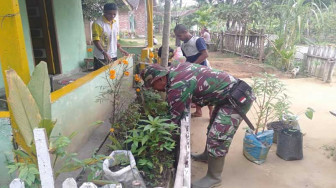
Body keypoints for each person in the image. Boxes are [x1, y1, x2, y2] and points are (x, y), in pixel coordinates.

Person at [141, 63, 255, 188]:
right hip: (227, 96)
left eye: (153, 85)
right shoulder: (174, 71)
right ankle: (207, 155)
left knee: (218, 136)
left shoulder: (178, 85)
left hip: (238, 99)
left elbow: (172, 120)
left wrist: (158, 143)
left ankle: (214, 177)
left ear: (161, 78)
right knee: (213, 127)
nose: (154, 90)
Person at [174, 24, 212, 118]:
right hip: (193, 72)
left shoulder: (198, 40)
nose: (179, 38)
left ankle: (211, 111)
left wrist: (193, 65)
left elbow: (205, 55)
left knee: (206, 92)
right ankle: (198, 111)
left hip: (203, 70)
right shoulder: (183, 46)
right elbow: (186, 59)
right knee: (195, 92)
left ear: (185, 32)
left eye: (180, 35)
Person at [92, 3, 129, 70]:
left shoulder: (115, 23)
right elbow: (96, 41)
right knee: (101, 76)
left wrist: (120, 49)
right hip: (101, 56)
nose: (112, 16)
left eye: (114, 14)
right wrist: (104, 53)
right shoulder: (98, 23)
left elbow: (115, 39)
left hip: (113, 55)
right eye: (110, 14)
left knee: (112, 75)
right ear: (104, 12)